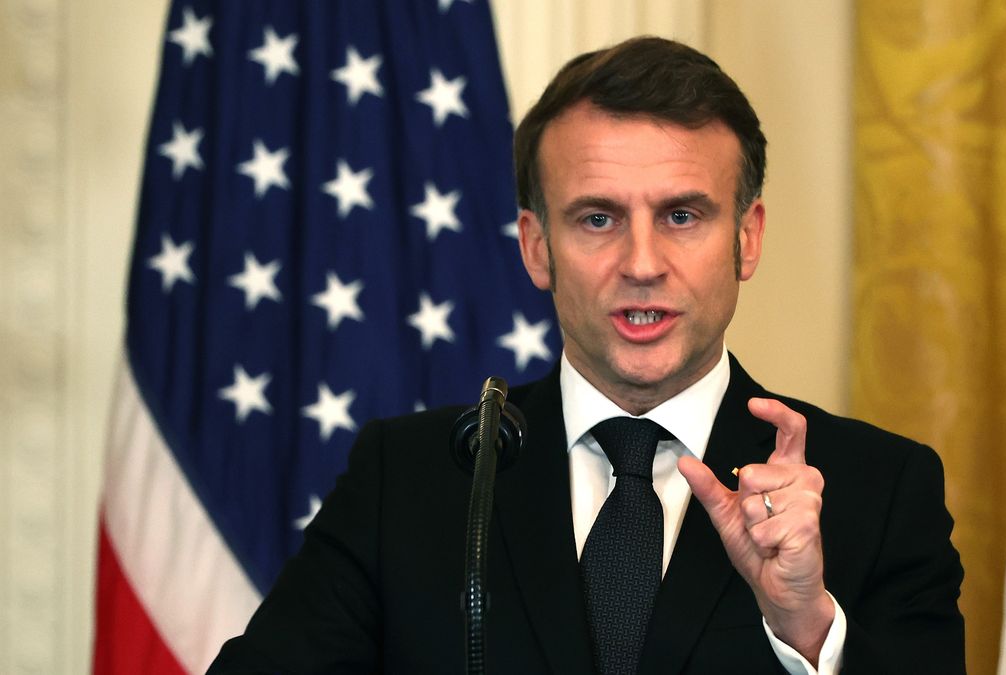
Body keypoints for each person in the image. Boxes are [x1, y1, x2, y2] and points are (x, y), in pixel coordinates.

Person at [210, 36, 965, 674]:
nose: (641, 261)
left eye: (681, 214)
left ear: (748, 236)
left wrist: (807, 624)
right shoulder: (406, 481)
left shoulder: (878, 490)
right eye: (598, 217)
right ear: (537, 247)